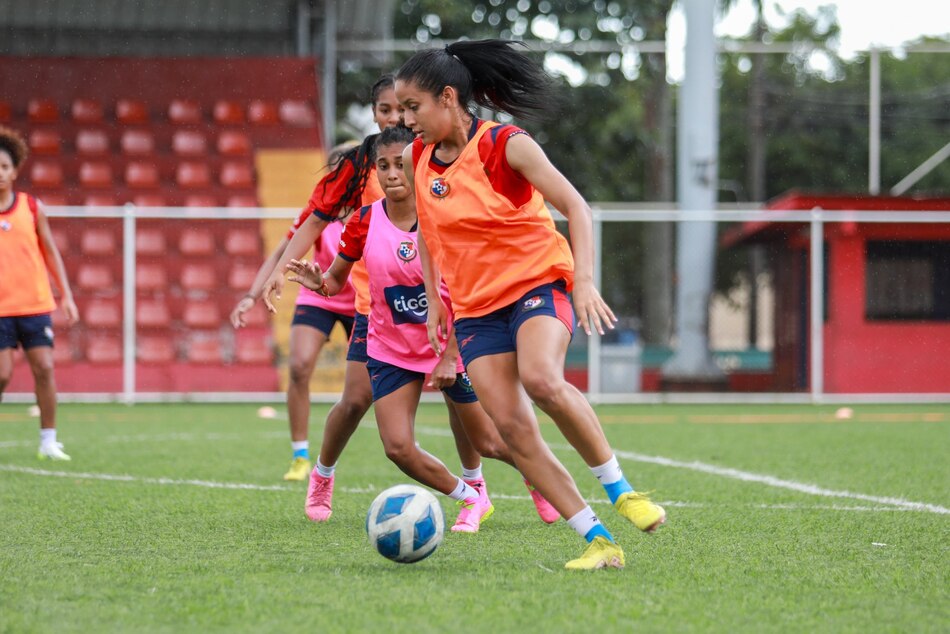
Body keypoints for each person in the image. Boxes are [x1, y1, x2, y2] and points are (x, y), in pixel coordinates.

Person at [395, 40, 666, 570]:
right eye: (400, 110)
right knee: (513, 433)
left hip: (536, 286)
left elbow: (576, 207)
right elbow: (428, 233)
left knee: (542, 380)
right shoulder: (415, 158)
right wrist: (434, 304)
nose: (405, 121)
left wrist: (584, 282)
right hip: (475, 309)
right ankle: (598, 541)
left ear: (448, 97)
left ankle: (622, 491)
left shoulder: (506, 145)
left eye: (413, 108)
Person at [286, 125, 558, 532]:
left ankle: (542, 481)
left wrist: (450, 354)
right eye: (383, 166)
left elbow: (464, 288)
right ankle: (471, 498)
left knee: (489, 442)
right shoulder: (362, 222)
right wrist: (318, 282)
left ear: (417, 166)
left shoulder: (447, 215)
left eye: (400, 164)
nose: (392, 173)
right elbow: (336, 281)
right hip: (389, 346)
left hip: (447, 342)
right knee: (397, 447)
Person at [230, 142, 359, 481]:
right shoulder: (317, 212)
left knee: (365, 389)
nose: (340, 174)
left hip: (361, 301)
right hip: (318, 296)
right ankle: (301, 457)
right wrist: (249, 296)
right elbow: (279, 254)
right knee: (299, 368)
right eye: (335, 168)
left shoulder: (374, 209)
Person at [0, 125, 79, 460]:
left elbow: (50, 251)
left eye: (4, 166)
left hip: (34, 304)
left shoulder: (31, 207)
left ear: (15, 170)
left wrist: (67, 295)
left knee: (44, 368)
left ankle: (49, 440)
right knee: (2, 374)